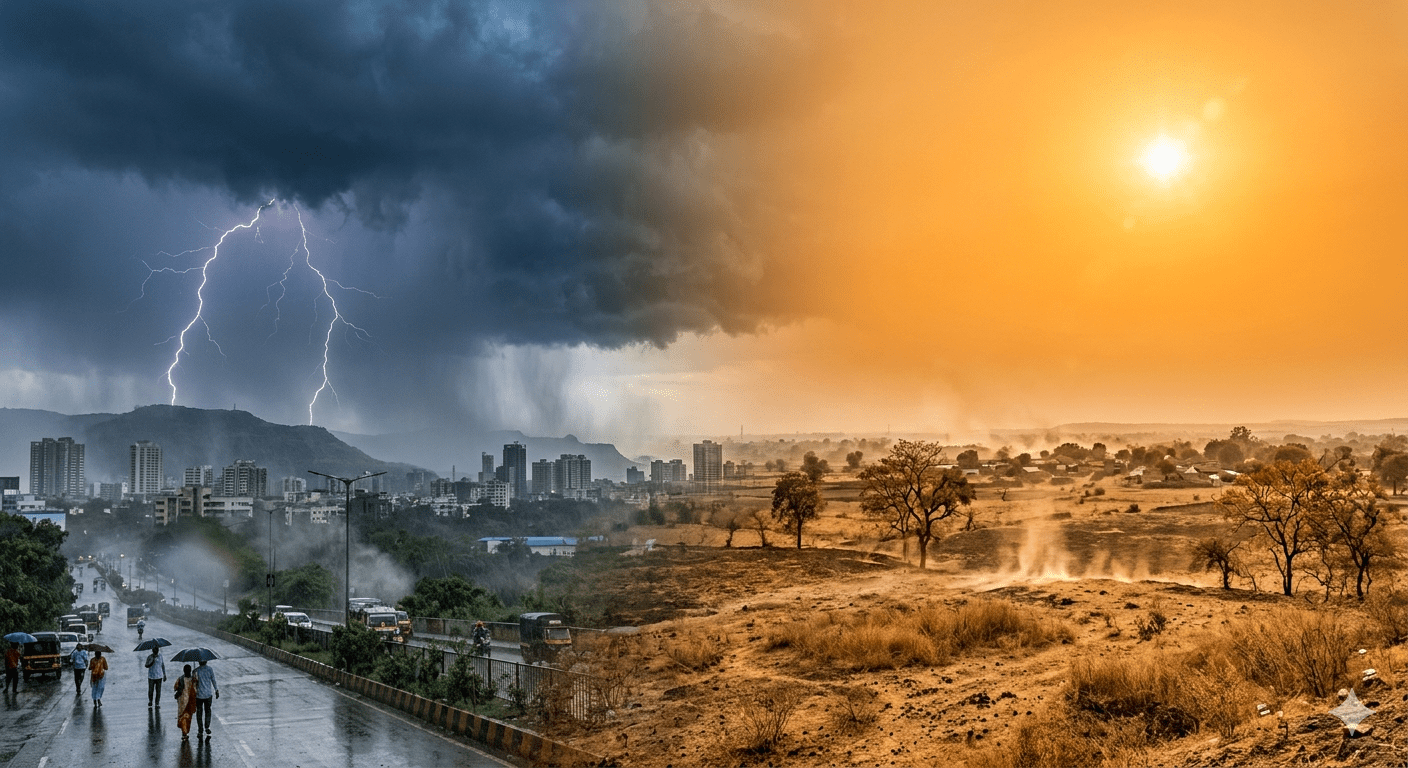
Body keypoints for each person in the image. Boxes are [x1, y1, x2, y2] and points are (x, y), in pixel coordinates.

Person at [192, 659, 218, 737]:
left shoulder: (195, 671)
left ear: (199, 662)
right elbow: (213, 680)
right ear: (206, 661)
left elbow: (193, 684)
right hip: (208, 694)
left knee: (199, 713)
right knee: (208, 711)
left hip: (199, 695)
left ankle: (200, 730)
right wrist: (216, 690)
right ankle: (207, 727)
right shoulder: (210, 669)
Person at [173, 664, 197, 740]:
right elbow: (196, 688)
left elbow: (175, 687)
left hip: (182, 702)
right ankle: (185, 732)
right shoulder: (193, 679)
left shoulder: (180, 679)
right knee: (188, 717)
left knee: (183, 717)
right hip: (190, 701)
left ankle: (184, 733)